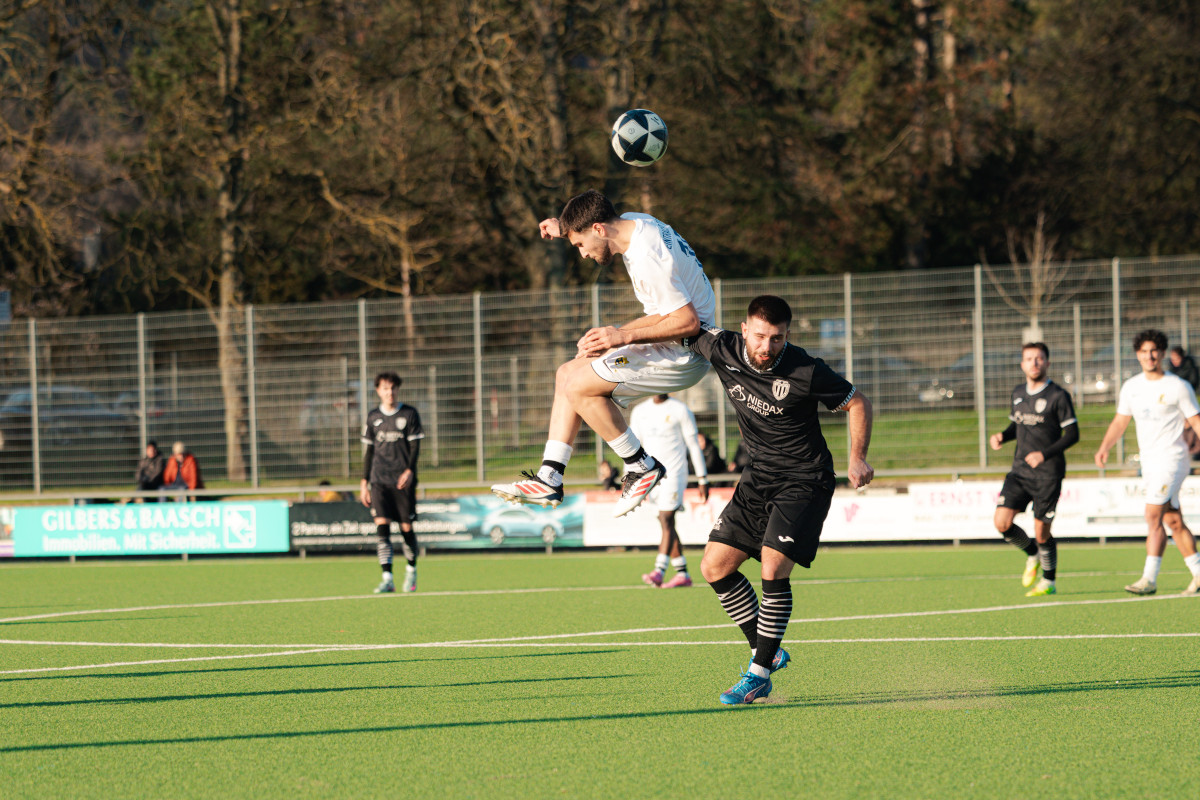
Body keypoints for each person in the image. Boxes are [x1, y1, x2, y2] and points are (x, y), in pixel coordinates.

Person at [691, 295, 874, 705]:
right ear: (744, 330)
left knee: (773, 566)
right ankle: (767, 649)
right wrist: (619, 340)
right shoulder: (721, 348)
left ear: (788, 335)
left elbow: (856, 401)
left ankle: (758, 672)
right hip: (758, 478)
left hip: (805, 480)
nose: (767, 347)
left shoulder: (806, 369)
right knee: (713, 567)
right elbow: (682, 324)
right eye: (760, 337)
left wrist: (857, 457)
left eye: (777, 339)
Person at [490, 189, 717, 518]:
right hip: (671, 338)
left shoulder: (645, 254)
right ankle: (549, 476)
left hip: (684, 352)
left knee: (578, 386)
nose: (582, 254)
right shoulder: (635, 223)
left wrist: (621, 336)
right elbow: (669, 310)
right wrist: (566, 226)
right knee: (567, 373)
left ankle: (641, 466)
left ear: (598, 229)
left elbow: (687, 321)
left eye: (580, 245)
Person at [1095, 329, 1200, 596]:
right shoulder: (1131, 387)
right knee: (1173, 520)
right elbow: (1121, 420)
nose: (1149, 356)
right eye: (1144, 351)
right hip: (1150, 463)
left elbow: (1196, 420)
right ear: (1137, 355)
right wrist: (1105, 447)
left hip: (1173, 460)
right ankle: (1199, 573)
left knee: (1152, 515)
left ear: (1162, 353)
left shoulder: (1178, 386)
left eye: (1154, 350)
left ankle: (1148, 579)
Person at [988, 343, 1079, 597]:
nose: (1034, 363)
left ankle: (1049, 581)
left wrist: (1044, 454)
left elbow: (1073, 434)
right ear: (1022, 364)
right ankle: (1032, 555)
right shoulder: (1018, 393)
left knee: (1042, 531)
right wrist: (1002, 437)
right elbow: (1015, 425)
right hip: (1019, 471)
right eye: (1029, 359)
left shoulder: (1058, 396)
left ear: (1047, 363)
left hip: (1049, 473)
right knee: (1002, 522)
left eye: (1039, 358)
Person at [630, 394, 710, 589]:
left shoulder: (680, 410)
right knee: (666, 522)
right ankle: (683, 573)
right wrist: (633, 478)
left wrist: (702, 477)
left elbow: (693, 444)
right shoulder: (639, 411)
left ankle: (659, 570)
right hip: (651, 477)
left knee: (666, 518)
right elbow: (633, 448)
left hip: (675, 474)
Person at [360, 372, 424, 594]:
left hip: (402, 482)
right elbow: (368, 452)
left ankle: (411, 570)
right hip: (379, 480)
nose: (390, 392)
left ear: (398, 389)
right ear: (378, 390)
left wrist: (409, 471)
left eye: (393, 388)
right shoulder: (373, 417)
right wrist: (364, 482)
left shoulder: (409, 414)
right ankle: (387, 577)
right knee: (382, 528)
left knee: (406, 528)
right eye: (385, 388)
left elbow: (415, 448)